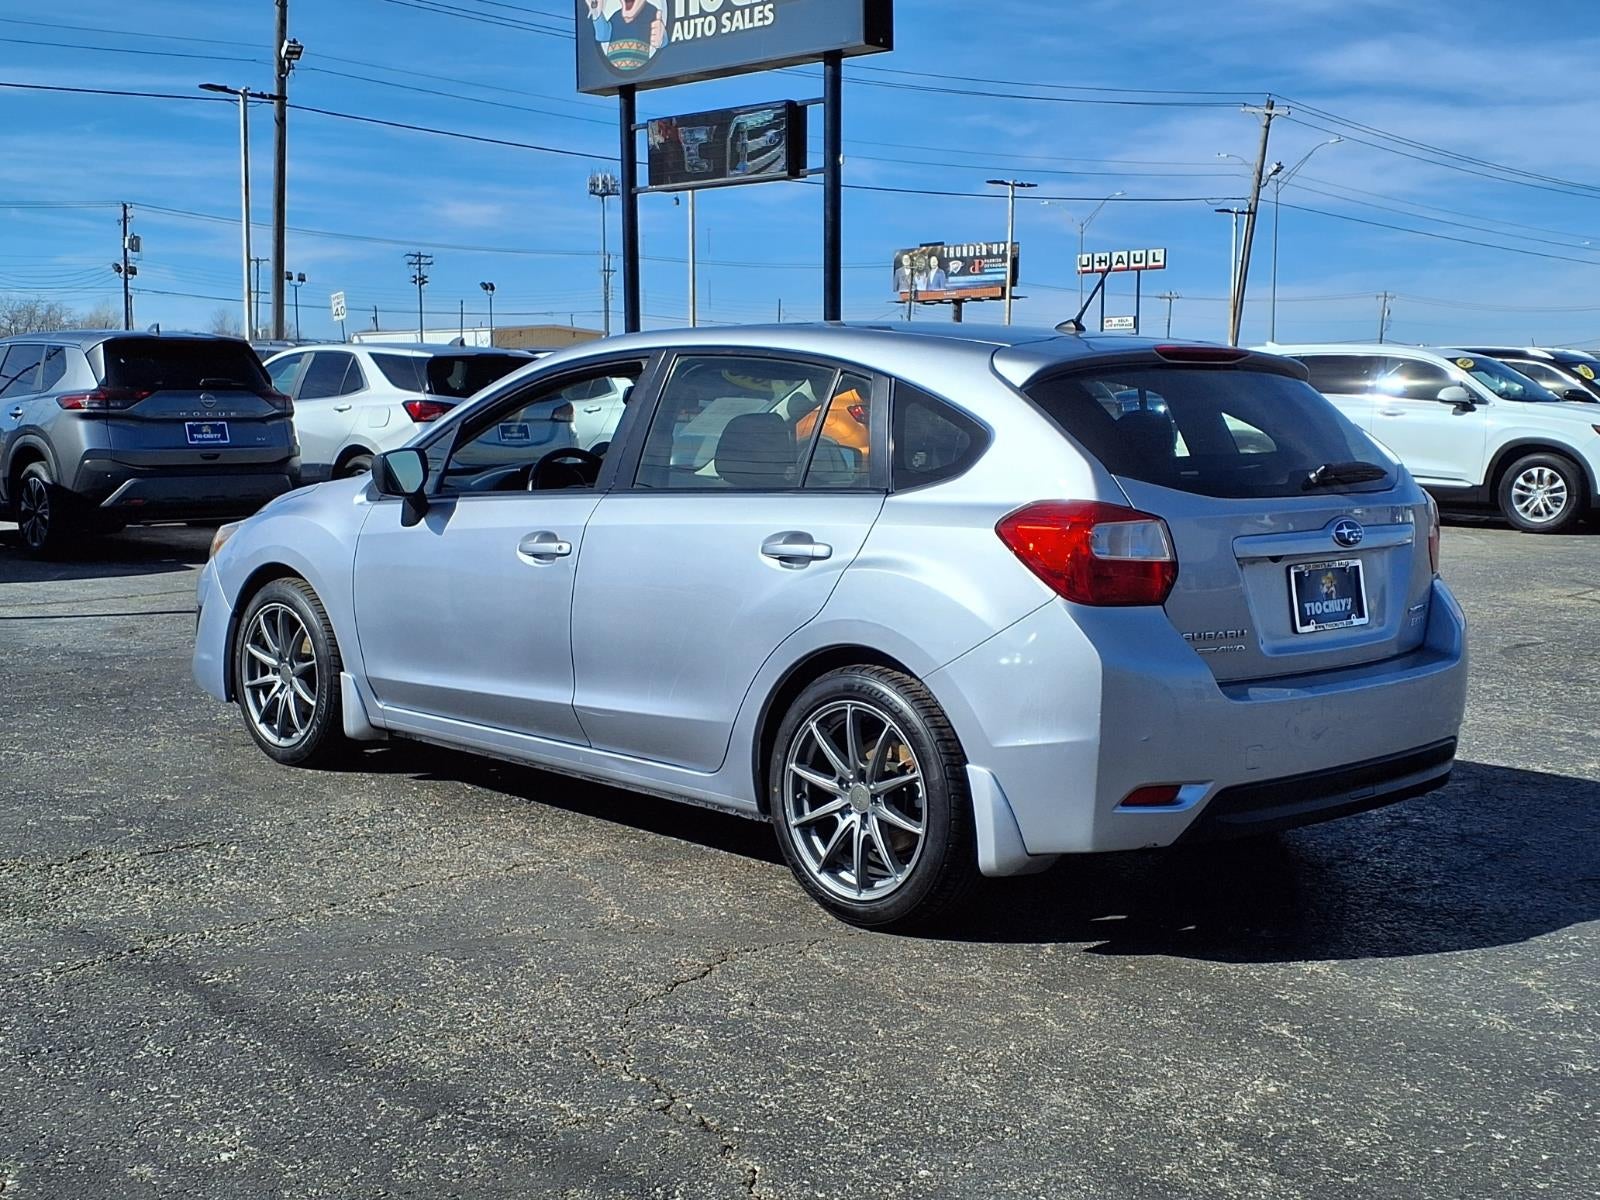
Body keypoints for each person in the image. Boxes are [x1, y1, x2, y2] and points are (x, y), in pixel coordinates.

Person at [586, 0, 667, 73]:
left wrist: (661, 39)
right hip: (613, 77)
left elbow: (662, 37)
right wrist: (597, 15)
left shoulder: (651, 13)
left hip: (639, 72)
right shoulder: (616, 16)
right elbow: (603, 36)